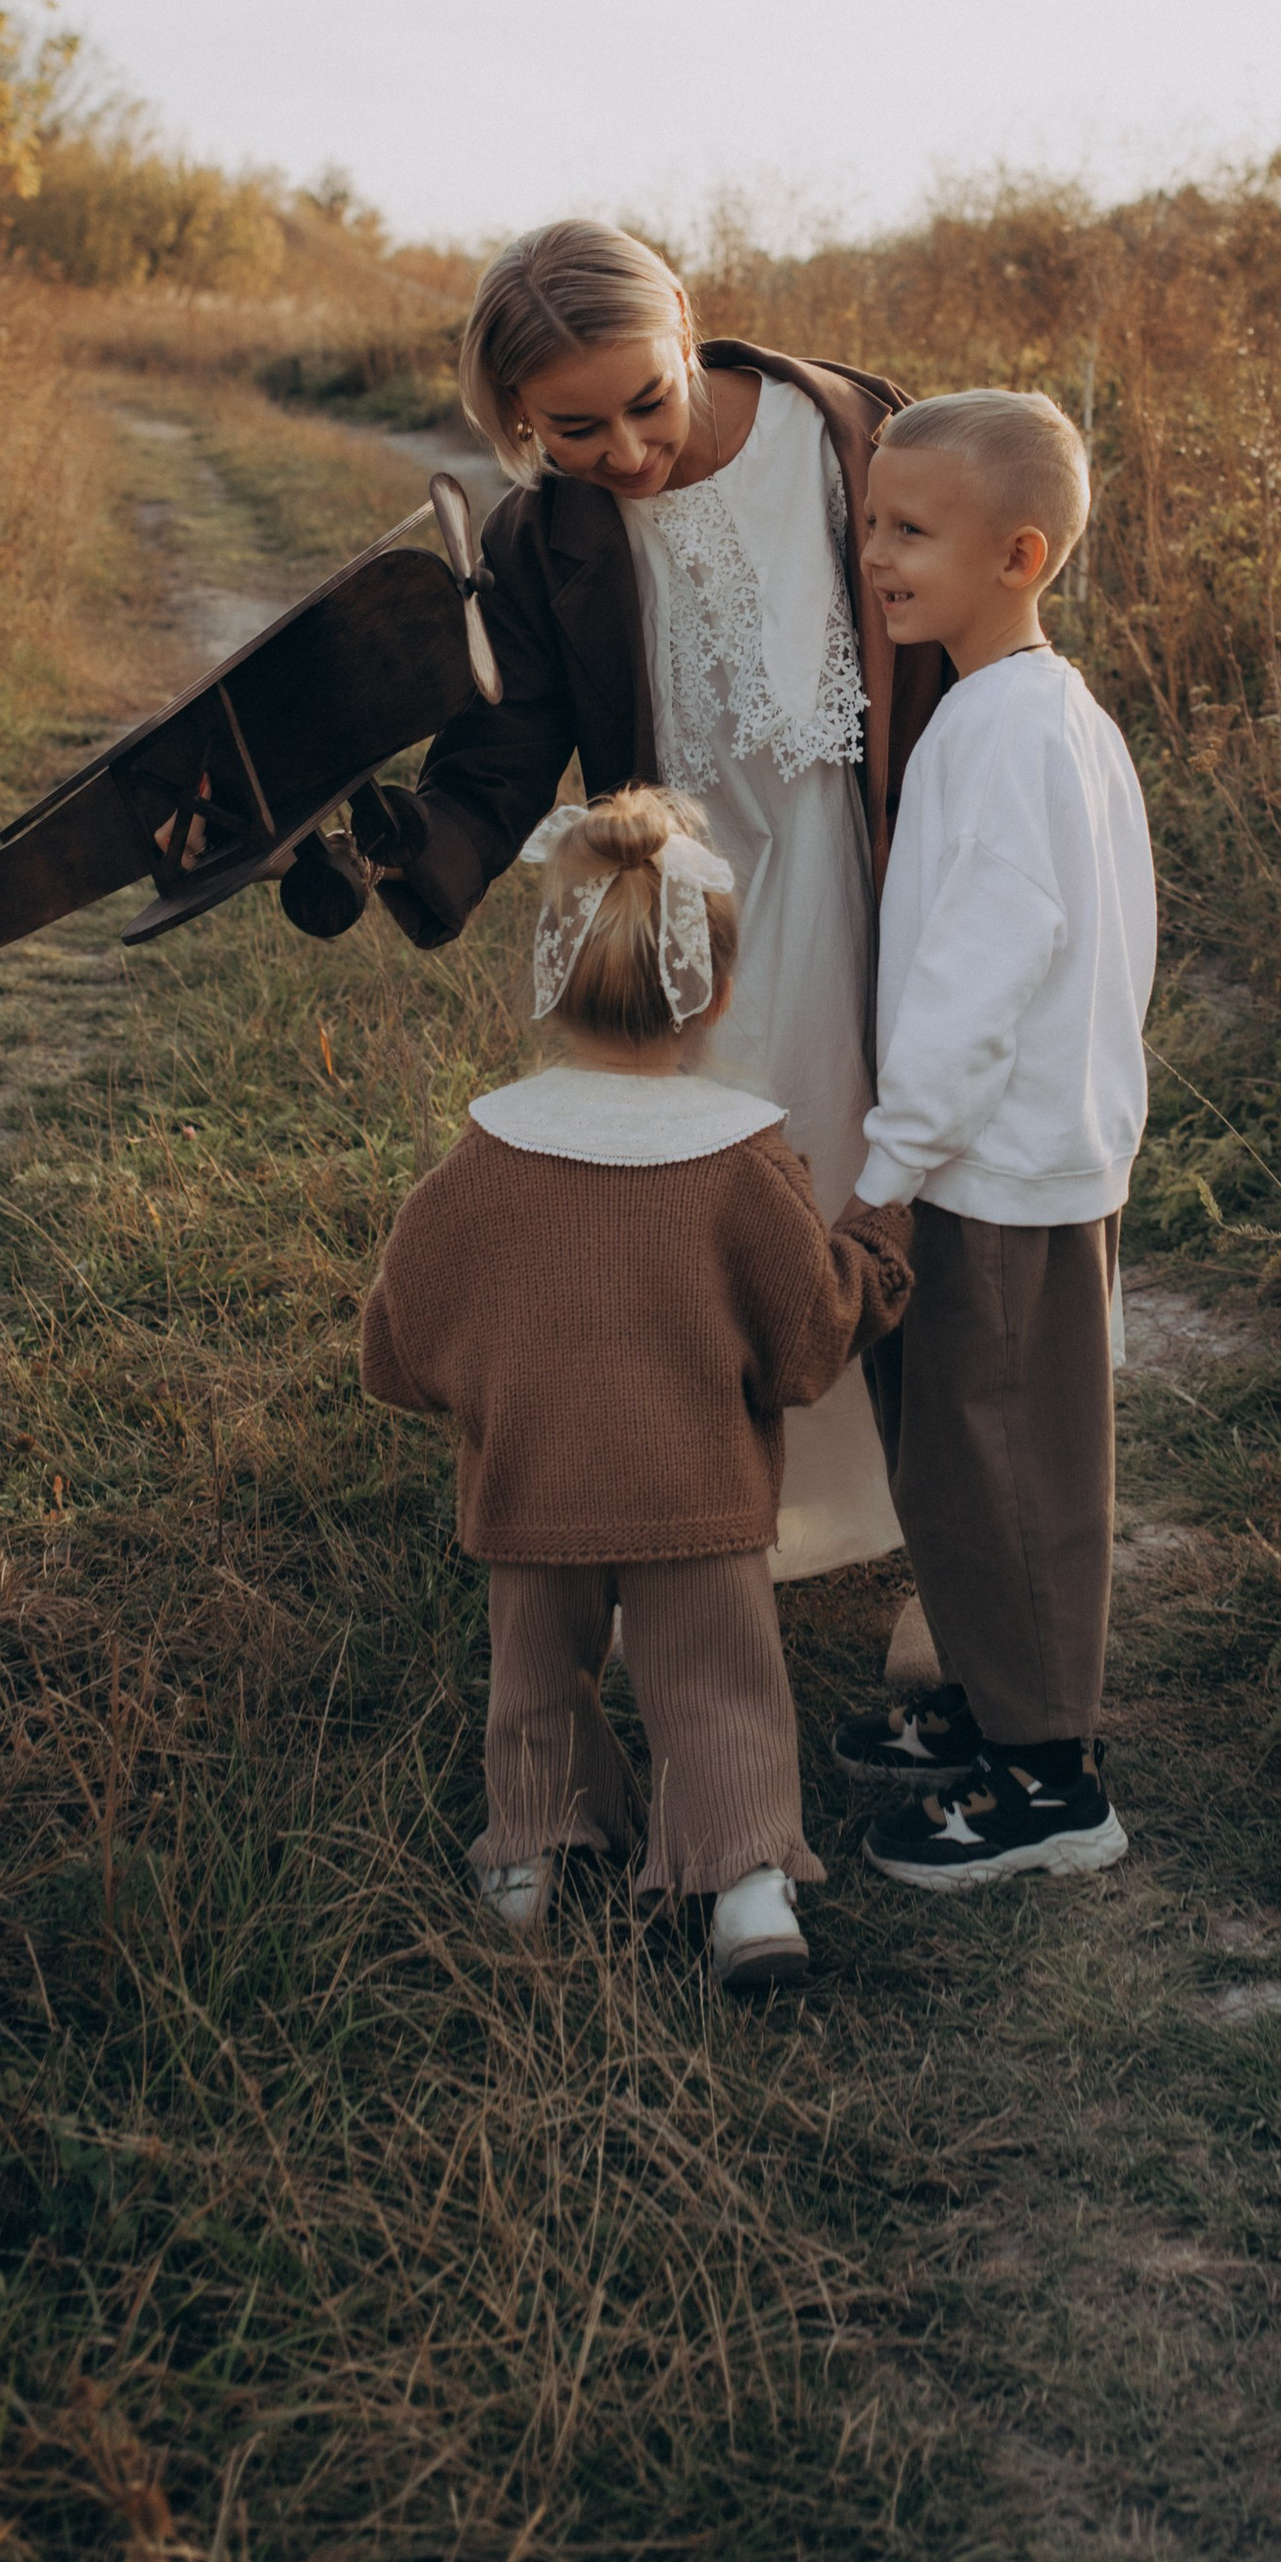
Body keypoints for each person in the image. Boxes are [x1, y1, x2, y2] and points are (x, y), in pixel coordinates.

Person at [354, 220, 944, 1580]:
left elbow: (967, 602)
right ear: (510, 418)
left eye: (647, 402)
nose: (624, 451)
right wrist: (408, 845)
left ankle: (934, 1522)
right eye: (571, 428)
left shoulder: (847, 430)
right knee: (731, 1197)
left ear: (687, 327)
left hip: (885, 866)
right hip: (707, 912)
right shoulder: (545, 536)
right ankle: (730, 1513)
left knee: (905, 1170)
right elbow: (507, 749)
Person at [357, 790, 913, 1991]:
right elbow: (808, 1338)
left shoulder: (486, 1154)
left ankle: (527, 1863)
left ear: (550, 981)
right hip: (693, 1496)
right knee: (717, 1687)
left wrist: (458, 1387)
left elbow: (404, 1323)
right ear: (716, 994)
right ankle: (751, 1895)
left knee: (536, 1682)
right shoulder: (741, 1161)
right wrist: (877, 1251)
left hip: (529, 1491)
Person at [828, 390, 1157, 1890]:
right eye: (872, 522)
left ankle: (1050, 1784)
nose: (876, 554)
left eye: (911, 532)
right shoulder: (1022, 711)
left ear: (1019, 552)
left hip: (994, 1174)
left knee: (1004, 1463)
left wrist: (893, 1169)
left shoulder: (1011, 729)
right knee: (957, 1459)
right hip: (1000, 1158)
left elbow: (987, 967)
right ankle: (988, 1694)